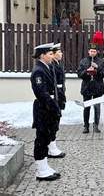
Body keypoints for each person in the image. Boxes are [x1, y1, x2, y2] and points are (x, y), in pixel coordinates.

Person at [31, 43, 61, 181]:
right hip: (44, 108)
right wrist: (53, 107)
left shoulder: (46, 67)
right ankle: (41, 171)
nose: (52, 55)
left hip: (49, 107)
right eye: (49, 54)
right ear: (42, 55)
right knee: (41, 139)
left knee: (46, 137)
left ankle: (44, 167)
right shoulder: (38, 70)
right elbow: (41, 93)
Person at [77, 32, 104, 133]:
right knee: (86, 107)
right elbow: (79, 74)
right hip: (87, 87)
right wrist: (87, 71)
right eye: (91, 51)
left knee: (97, 107)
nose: (93, 53)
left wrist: (97, 69)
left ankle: (96, 126)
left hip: (98, 87)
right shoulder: (83, 61)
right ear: (88, 52)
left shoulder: (102, 62)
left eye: (94, 51)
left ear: (97, 52)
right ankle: (86, 126)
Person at [48, 43, 66, 158]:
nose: (61, 54)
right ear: (53, 55)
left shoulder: (58, 64)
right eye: (58, 52)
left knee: (56, 120)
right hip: (56, 96)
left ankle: (52, 145)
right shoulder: (52, 65)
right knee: (53, 121)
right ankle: (51, 147)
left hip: (60, 95)